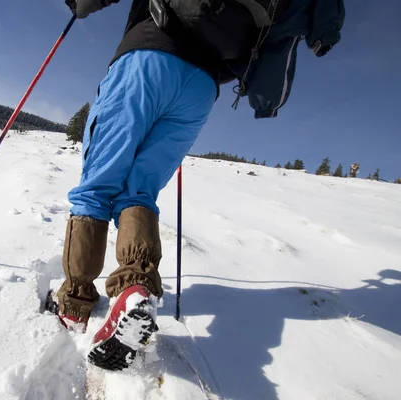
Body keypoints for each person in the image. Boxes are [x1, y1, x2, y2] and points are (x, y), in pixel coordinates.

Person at [49, 0, 344, 372]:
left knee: (97, 185)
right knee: (138, 191)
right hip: (202, 87)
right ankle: (135, 286)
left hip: (149, 54)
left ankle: (75, 305)